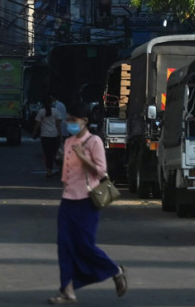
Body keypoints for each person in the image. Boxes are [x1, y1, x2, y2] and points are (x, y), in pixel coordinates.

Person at [48, 102, 127, 304]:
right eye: (68, 120)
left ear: (84, 121)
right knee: (64, 246)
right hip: (68, 200)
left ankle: (115, 270)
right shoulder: (68, 142)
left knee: (84, 246)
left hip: (86, 201)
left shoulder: (94, 142)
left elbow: (101, 171)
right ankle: (67, 290)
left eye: (73, 121)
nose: (70, 124)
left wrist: (83, 157)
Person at [34, 95, 64, 177]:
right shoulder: (56, 112)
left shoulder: (41, 112)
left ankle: (49, 171)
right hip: (54, 135)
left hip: (45, 136)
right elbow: (58, 125)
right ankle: (59, 168)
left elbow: (37, 124)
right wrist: (60, 135)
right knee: (55, 154)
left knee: (47, 154)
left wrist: (34, 133)